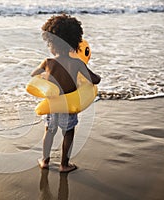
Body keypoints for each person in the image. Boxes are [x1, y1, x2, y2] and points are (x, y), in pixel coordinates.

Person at [31, 14, 101, 173]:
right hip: (68, 106)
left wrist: (44, 76)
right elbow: (94, 79)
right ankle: (64, 164)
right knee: (68, 134)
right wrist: (98, 78)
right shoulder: (77, 63)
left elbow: (33, 74)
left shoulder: (47, 62)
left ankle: (45, 161)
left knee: (49, 132)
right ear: (74, 43)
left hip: (51, 105)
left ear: (51, 43)